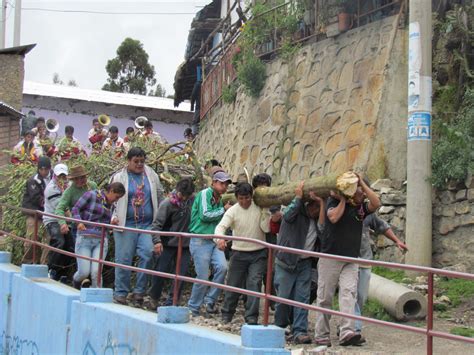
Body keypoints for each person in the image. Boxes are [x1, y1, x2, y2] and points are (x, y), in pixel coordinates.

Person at [314, 174, 380, 347]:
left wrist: (363, 186)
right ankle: (321, 334)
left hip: (351, 258)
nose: (363, 194)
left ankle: (347, 331)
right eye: (360, 190)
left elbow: (376, 203)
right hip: (331, 256)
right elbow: (333, 217)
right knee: (325, 297)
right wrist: (344, 199)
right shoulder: (333, 201)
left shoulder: (361, 208)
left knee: (349, 294)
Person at [110, 147, 164, 306]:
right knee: (124, 259)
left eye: (142, 161)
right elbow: (111, 199)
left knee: (148, 253)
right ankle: (121, 293)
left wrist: (161, 217)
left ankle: (139, 292)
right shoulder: (120, 177)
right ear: (128, 161)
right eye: (136, 161)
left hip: (147, 224)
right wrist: (113, 217)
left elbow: (159, 194)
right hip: (125, 224)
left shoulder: (151, 175)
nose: (139, 164)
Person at [274, 181, 325, 344]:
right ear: (307, 205)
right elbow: (286, 216)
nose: (316, 212)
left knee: (302, 298)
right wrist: (297, 198)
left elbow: (323, 229)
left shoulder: (316, 219)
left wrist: (322, 204)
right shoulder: (295, 212)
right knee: (283, 298)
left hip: (304, 263)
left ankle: (299, 330)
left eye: (319, 209)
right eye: (315, 208)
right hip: (286, 261)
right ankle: (280, 327)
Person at [215, 182, 270, 325]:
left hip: (258, 253)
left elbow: (266, 229)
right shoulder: (233, 210)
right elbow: (220, 227)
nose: (244, 201)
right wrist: (219, 239)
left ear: (251, 196)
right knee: (233, 285)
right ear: (236, 198)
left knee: (254, 284)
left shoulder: (259, 207)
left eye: (247, 198)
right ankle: (227, 314)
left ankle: (251, 318)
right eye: (241, 198)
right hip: (238, 253)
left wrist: (265, 212)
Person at [187, 170, 232, 317]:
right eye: (221, 183)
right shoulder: (206, 194)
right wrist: (223, 210)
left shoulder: (219, 197)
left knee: (222, 268)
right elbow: (204, 215)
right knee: (202, 275)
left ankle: (209, 301)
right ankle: (193, 307)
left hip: (213, 239)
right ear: (213, 183)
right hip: (200, 239)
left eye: (226, 184)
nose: (224, 186)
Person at [355, 214, 408, 338]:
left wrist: (397, 241)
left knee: (361, 297)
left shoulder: (366, 212)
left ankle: (348, 325)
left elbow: (381, 226)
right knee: (348, 294)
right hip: (346, 260)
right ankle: (353, 329)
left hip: (364, 260)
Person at [148, 178, 195, 309]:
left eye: (187, 196)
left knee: (181, 273)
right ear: (178, 191)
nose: (184, 198)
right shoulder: (167, 204)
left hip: (185, 244)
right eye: (182, 195)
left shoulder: (193, 201)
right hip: (167, 243)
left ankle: (172, 301)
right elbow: (156, 225)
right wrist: (157, 241)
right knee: (160, 271)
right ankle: (154, 297)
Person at [71, 182, 126, 289]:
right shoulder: (91, 195)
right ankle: (76, 282)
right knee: (84, 272)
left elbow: (106, 223)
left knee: (96, 272)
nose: (117, 200)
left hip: (101, 240)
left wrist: (112, 223)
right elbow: (75, 209)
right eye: (117, 197)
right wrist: (79, 222)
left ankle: (96, 293)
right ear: (111, 191)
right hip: (85, 237)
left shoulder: (111, 206)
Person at [44, 164, 74, 281]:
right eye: (59, 176)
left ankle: (62, 272)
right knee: (59, 241)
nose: (62, 178)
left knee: (70, 245)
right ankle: (51, 268)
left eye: (64, 176)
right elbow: (60, 209)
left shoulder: (69, 186)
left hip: (67, 219)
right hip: (52, 219)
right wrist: (72, 220)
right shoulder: (51, 189)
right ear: (55, 175)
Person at [21, 156, 52, 264]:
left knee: (47, 239)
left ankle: (44, 265)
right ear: (38, 169)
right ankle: (29, 261)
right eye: (41, 169)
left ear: (49, 168)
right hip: (34, 212)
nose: (43, 172)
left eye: (46, 169)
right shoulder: (33, 181)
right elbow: (36, 198)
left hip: (48, 214)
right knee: (32, 237)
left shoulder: (54, 178)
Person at [55, 165, 98, 244]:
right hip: (78, 227)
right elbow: (59, 208)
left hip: (94, 225)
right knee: (81, 252)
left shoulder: (92, 186)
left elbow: (100, 201)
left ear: (86, 177)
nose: (80, 180)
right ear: (73, 179)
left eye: (82, 177)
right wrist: (62, 223)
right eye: (76, 179)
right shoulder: (69, 192)